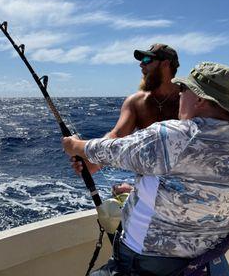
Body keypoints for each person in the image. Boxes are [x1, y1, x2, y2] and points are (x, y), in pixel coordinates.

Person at [63, 61, 229, 276]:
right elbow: (199, 191)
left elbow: (112, 150)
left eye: (183, 89)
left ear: (200, 98)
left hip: (153, 265)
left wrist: (75, 145)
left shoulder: (177, 134)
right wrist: (138, 191)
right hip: (205, 263)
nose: (179, 95)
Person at [74, 43, 181, 191]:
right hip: (150, 186)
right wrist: (94, 162)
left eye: (146, 60)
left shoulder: (190, 100)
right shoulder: (135, 102)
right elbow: (117, 135)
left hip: (185, 186)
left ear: (166, 64)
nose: (141, 65)